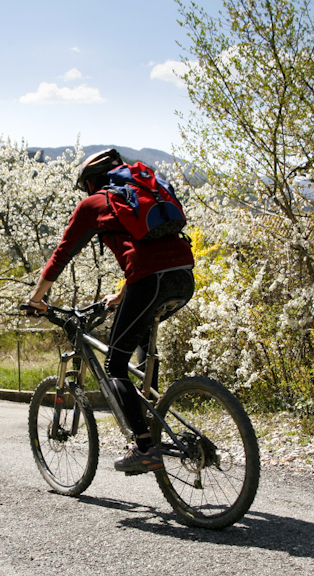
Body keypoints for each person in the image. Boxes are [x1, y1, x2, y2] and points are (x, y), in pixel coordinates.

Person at [25, 148, 195, 474]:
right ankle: (149, 414)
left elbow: (61, 256)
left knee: (115, 364)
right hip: (184, 276)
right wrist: (121, 293)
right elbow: (151, 249)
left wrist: (37, 299)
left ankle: (145, 445)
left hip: (148, 283)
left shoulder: (93, 204)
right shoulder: (142, 195)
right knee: (141, 336)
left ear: (90, 183)